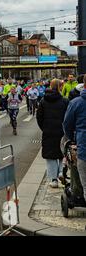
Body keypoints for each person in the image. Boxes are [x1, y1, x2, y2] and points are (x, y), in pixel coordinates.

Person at [36, 79, 69, 188]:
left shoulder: (43, 101)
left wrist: (44, 128)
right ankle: (60, 172)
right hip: (61, 131)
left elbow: (39, 117)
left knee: (50, 156)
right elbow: (68, 117)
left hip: (48, 131)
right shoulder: (64, 101)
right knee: (61, 153)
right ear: (60, 87)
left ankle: (53, 179)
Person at [63, 74, 86, 202]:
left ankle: (77, 193)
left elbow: (67, 124)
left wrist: (72, 139)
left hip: (83, 146)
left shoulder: (76, 103)